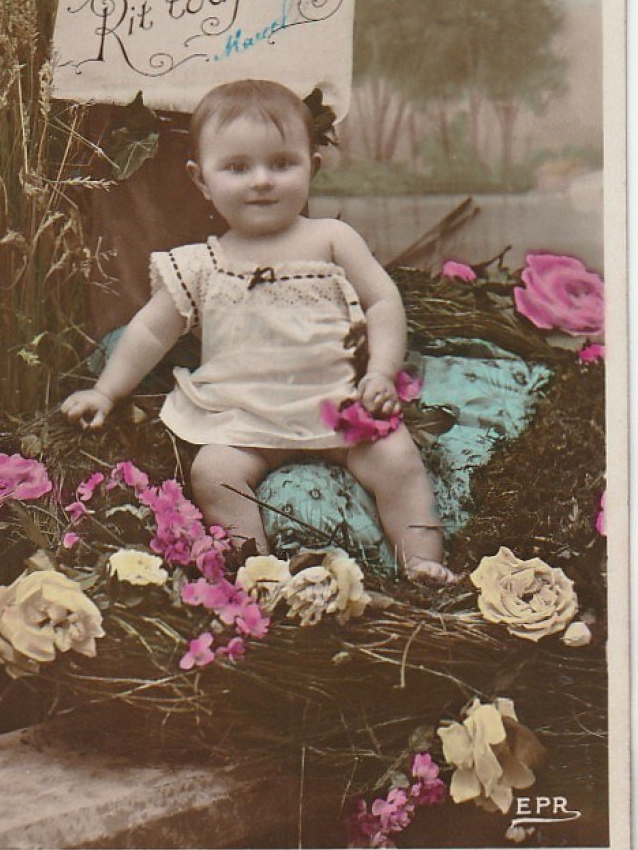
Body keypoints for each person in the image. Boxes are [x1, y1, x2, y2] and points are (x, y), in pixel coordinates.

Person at [62, 80, 454, 583]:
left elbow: (382, 301)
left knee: (397, 457)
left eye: (281, 163)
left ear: (311, 166)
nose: (262, 180)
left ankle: (422, 561)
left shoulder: (331, 239)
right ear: (201, 180)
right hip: (243, 418)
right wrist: (105, 391)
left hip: (336, 408)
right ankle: (259, 574)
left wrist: (380, 372)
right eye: (238, 168)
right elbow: (150, 333)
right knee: (215, 473)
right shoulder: (202, 263)